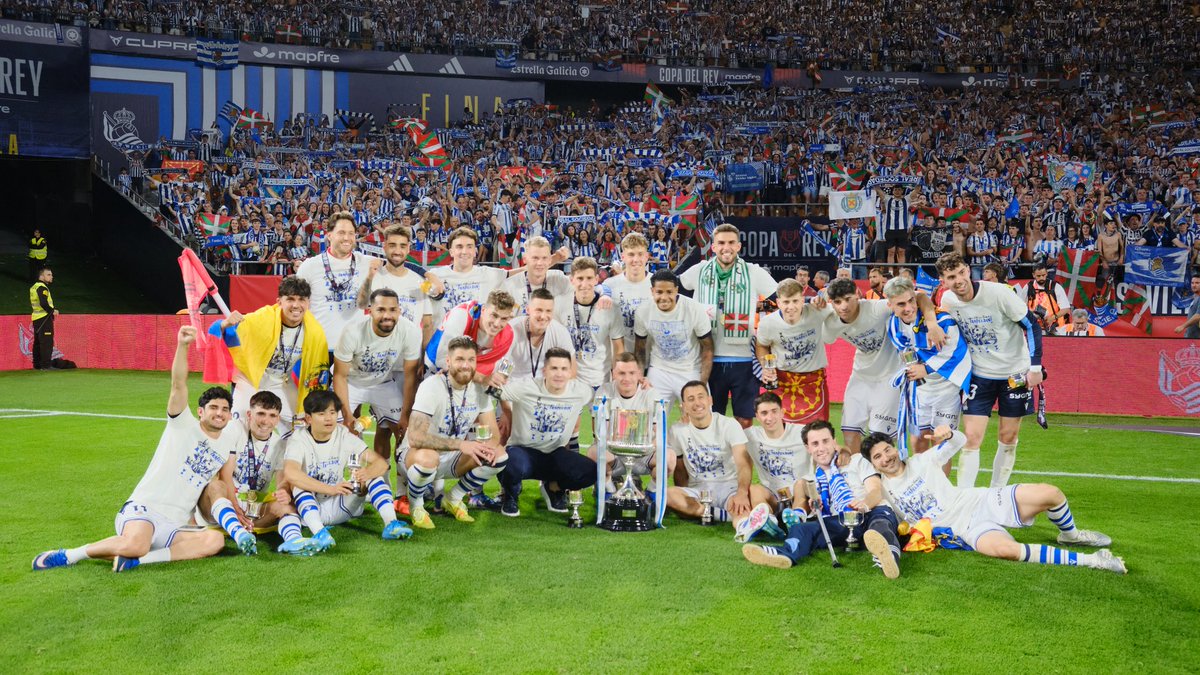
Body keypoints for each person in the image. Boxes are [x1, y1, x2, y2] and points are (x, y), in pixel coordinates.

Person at [33, 326, 240, 572]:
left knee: (214, 540)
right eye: (214, 408)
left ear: (230, 415)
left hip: (174, 524)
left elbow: (212, 485)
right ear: (201, 412)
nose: (219, 413)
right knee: (136, 544)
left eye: (225, 409)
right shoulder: (183, 424)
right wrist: (183, 345)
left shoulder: (225, 446)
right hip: (145, 509)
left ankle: (138, 561)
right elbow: (178, 384)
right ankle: (70, 555)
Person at [861, 427, 1125, 574]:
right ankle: (1093, 560)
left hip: (980, 501)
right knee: (1006, 551)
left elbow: (960, 441)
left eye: (887, 449)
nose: (886, 458)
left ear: (895, 448)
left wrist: (949, 434)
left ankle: (1071, 535)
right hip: (964, 529)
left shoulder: (922, 460)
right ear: (872, 464)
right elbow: (869, 502)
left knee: (1051, 494)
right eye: (878, 457)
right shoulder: (881, 490)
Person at [741, 420, 903, 579]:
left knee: (879, 526)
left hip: (871, 512)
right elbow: (818, 506)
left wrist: (864, 505)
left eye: (825, 441)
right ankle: (783, 554)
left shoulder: (856, 460)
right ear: (808, 448)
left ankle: (889, 556)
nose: (821, 448)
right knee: (801, 529)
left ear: (834, 441)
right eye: (815, 443)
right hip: (841, 522)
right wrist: (816, 505)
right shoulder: (814, 479)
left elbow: (875, 491)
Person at [936, 252, 1044, 489]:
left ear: (968, 270)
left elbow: (1031, 325)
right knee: (971, 438)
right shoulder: (948, 300)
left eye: (961, 273)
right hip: (979, 376)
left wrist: (1035, 367)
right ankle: (965, 497)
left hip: (1014, 375)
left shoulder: (999, 293)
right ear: (943, 281)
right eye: (951, 277)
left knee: (1008, 437)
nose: (959, 280)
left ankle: (997, 494)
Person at [819, 277, 944, 454]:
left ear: (857, 294)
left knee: (880, 438)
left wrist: (932, 323)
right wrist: (819, 306)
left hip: (889, 379)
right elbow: (819, 328)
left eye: (848, 299)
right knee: (849, 433)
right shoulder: (831, 324)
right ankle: (859, 471)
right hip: (860, 377)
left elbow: (919, 297)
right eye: (838, 302)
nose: (844, 306)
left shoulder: (876, 309)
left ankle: (887, 471)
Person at [283, 389, 412, 549]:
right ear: (308, 418)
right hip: (311, 511)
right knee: (297, 486)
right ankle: (320, 534)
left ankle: (391, 524)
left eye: (332, 412)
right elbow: (291, 473)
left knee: (372, 475)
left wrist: (365, 474)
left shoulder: (343, 434)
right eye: (321, 414)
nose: (329, 418)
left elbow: (381, 464)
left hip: (342, 506)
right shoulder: (298, 439)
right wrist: (330, 489)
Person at [398, 336, 506, 528]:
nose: (465, 365)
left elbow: (494, 434)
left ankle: (454, 498)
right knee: (429, 458)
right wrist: (462, 444)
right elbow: (415, 438)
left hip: (453, 457)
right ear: (448, 361)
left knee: (499, 455)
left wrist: (487, 447)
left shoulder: (480, 390)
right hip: (415, 456)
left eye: (471, 360)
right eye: (459, 359)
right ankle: (417, 506)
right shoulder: (431, 386)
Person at [679, 224, 779, 427]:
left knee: (744, 419)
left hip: (743, 359)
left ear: (739, 246)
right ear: (713, 247)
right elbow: (672, 288)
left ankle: (740, 450)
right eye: (721, 243)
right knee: (710, 420)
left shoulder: (753, 272)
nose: (727, 247)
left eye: (731, 242)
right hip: (708, 358)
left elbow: (781, 297)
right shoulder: (699, 270)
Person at [209, 275, 330, 442]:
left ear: (308, 303)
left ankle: (286, 457)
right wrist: (225, 325)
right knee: (236, 428)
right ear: (279, 301)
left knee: (304, 426)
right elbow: (215, 331)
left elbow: (317, 371)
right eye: (290, 299)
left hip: (281, 382)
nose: (296, 305)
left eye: (301, 299)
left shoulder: (315, 332)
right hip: (250, 380)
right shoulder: (262, 318)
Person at [212, 390, 317, 556]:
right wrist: (235, 507)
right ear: (249, 414)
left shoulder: (280, 444)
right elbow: (225, 476)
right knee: (215, 486)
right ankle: (238, 532)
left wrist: (283, 492)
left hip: (254, 508)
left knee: (287, 506)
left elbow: (282, 482)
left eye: (272, 415)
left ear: (278, 419)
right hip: (226, 503)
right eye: (261, 413)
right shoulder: (235, 429)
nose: (266, 421)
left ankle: (294, 540)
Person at [664, 381, 774, 537]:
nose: (697, 403)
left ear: (710, 400)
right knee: (666, 494)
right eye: (691, 399)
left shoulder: (728, 425)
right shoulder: (677, 430)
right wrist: (684, 498)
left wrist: (742, 493)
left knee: (740, 508)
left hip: (728, 487)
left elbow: (743, 463)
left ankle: (743, 526)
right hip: (698, 490)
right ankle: (723, 515)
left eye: (701, 397)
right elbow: (680, 470)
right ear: (684, 406)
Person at [497, 348, 597, 517]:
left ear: (571, 372)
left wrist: (640, 384)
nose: (559, 374)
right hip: (523, 452)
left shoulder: (581, 391)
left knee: (591, 471)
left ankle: (553, 488)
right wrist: (507, 411)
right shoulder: (526, 387)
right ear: (544, 371)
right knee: (507, 461)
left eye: (564, 369)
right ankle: (511, 494)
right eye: (554, 368)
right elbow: (493, 390)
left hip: (555, 454)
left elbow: (607, 395)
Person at [883, 276, 972, 459]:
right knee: (918, 442)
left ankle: (939, 480)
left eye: (911, 301)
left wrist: (926, 369)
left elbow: (958, 353)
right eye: (901, 304)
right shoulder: (892, 324)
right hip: (920, 391)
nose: (908, 308)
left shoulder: (942, 321)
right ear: (890, 305)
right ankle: (922, 479)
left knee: (941, 446)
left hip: (947, 390)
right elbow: (905, 352)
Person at [332, 288, 423, 463]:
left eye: (392, 310)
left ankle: (389, 477)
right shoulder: (352, 331)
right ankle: (343, 475)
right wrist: (347, 414)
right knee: (337, 430)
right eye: (380, 309)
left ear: (399, 311)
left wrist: (405, 415)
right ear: (370, 311)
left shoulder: (410, 331)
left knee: (405, 432)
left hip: (383, 382)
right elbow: (339, 376)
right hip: (351, 382)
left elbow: (410, 376)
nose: (387, 315)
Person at [589, 352, 674, 492]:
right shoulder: (605, 392)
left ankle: (650, 494)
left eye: (632, 373)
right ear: (613, 374)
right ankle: (609, 492)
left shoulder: (651, 393)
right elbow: (599, 433)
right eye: (621, 373)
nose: (627, 378)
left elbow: (660, 434)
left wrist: (642, 450)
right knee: (594, 453)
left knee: (669, 457)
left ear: (639, 374)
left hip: (643, 455)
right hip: (614, 453)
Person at [755, 279, 833, 424]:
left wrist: (823, 298)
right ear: (778, 303)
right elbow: (761, 345)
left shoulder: (817, 311)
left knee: (817, 432)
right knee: (781, 433)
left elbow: (842, 308)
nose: (791, 307)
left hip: (814, 382)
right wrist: (765, 366)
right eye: (786, 302)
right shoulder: (767, 323)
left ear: (803, 300)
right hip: (782, 383)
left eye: (795, 301)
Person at [634, 270, 715, 410]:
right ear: (652, 291)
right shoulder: (643, 310)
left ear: (676, 290)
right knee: (649, 416)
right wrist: (640, 376)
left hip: (690, 370)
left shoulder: (694, 308)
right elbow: (640, 348)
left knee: (700, 414)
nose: (664, 297)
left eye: (669, 292)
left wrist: (701, 383)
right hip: (659, 370)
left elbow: (708, 348)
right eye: (659, 292)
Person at [357, 225, 435, 347]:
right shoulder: (374, 277)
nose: (397, 251)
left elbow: (427, 325)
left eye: (402, 246)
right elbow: (362, 305)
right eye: (392, 245)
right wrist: (369, 277)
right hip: (378, 350)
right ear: (384, 247)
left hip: (410, 353)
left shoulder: (420, 281)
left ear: (408, 248)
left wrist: (424, 356)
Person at [558, 257, 623, 389]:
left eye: (589, 278)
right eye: (580, 278)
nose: (584, 284)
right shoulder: (560, 304)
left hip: (599, 381)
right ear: (572, 280)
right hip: (569, 381)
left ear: (596, 279)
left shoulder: (611, 308)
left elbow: (618, 347)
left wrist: (618, 375)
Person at [426, 288, 517, 381]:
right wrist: (481, 378)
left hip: (472, 370)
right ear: (483, 310)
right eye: (494, 315)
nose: (497, 324)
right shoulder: (461, 316)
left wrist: (502, 377)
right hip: (435, 364)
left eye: (504, 319)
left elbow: (509, 360)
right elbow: (443, 360)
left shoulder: (509, 333)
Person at [743, 392, 810, 509]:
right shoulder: (750, 436)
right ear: (757, 416)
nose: (769, 418)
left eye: (774, 411)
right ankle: (766, 517)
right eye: (764, 413)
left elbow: (829, 444)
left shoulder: (803, 433)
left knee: (801, 485)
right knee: (754, 490)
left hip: (800, 495)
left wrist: (842, 450)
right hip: (772, 497)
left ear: (782, 412)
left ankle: (796, 516)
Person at [428, 226, 509, 320]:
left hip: (475, 328)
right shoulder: (435, 275)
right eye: (459, 247)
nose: (464, 252)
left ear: (475, 252)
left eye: (469, 247)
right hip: (444, 329)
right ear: (451, 252)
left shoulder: (487, 273)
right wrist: (426, 275)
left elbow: (514, 274)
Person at [604, 232, 654, 355]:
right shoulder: (609, 285)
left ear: (647, 256)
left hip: (650, 358)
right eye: (631, 254)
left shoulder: (657, 284)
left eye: (640, 254)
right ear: (623, 257)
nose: (636, 259)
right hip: (620, 359)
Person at [500, 236, 575, 312]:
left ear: (550, 259)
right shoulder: (510, 286)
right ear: (525, 259)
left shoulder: (560, 280)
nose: (540, 263)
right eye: (535, 258)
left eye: (544, 258)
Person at [1017, 264, 1072, 335]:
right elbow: (1020, 308)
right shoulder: (1028, 287)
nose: (1041, 278)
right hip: (1034, 327)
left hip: (1056, 328)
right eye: (1038, 276)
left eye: (1043, 275)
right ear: (1033, 275)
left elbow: (1066, 308)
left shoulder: (1055, 287)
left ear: (1047, 274)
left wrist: (1052, 318)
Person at [29, 267, 58, 370]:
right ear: (41, 276)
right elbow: (44, 303)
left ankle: (37, 365)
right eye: (48, 275)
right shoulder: (42, 288)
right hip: (44, 318)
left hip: (36, 318)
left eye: (51, 275)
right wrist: (52, 310)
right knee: (46, 342)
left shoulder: (34, 287)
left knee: (37, 342)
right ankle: (46, 366)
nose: (51, 277)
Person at [1174, 274, 1200, 338]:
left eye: (1197, 283)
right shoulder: (1196, 298)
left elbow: (1198, 316)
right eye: (1192, 283)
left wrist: (1182, 326)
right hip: (1191, 338)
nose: (1194, 285)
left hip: (1197, 340)